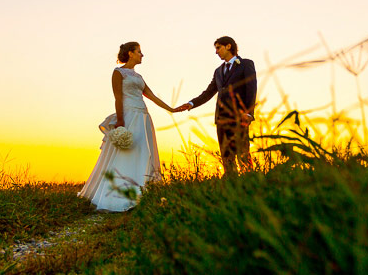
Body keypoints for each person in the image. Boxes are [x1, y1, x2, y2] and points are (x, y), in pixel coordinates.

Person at [79, 41, 180, 211]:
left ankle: (141, 193)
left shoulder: (139, 77)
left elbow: (152, 96)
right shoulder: (118, 73)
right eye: (139, 51)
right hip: (128, 115)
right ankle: (116, 197)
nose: (142, 55)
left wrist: (172, 109)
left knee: (143, 152)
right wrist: (120, 121)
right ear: (130, 53)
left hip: (143, 117)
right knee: (125, 153)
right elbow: (118, 97)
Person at [176, 36, 257, 177]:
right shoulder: (218, 71)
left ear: (228, 46)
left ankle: (250, 183)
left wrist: (249, 113)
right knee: (226, 157)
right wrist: (191, 103)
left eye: (218, 48)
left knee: (243, 154)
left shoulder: (246, 64)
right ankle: (231, 185)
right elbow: (208, 92)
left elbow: (251, 88)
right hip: (221, 119)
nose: (216, 52)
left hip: (240, 117)